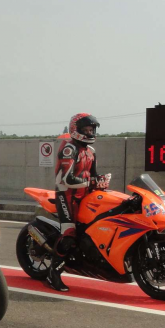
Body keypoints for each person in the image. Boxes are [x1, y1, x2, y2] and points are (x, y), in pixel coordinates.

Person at [48, 113, 108, 291]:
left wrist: (101, 181)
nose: (90, 133)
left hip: (85, 195)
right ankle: (53, 274)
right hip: (66, 195)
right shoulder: (69, 149)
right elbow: (66, 178)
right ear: (76, 129)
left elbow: (93, 175)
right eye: (86, 129)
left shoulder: (91, 151)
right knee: (69, 234)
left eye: (91, 129)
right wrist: (91, 182)